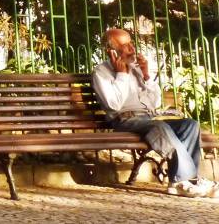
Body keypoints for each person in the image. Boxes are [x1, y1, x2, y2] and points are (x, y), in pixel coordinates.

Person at [92, 27, 216, 197]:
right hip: (124, 121)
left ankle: (178, 181)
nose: (132, 48)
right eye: (125, 45)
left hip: (148, 118)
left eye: (131, 43)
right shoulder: (101, 72)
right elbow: (114, 105)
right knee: (160, 127)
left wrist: (146, 75)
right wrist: (122, 75)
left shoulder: (136, 69)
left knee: (190, 125)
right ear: (111, 51)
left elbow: (155, 102)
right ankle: (189, 181)